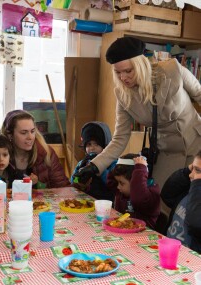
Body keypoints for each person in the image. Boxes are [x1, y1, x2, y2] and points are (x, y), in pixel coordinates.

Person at [74, 36, 201, 219]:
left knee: (195, 206)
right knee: (162, 210)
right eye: (118, 73)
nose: (123, 77)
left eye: (128, 71)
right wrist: (94, 166)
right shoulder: (123, 95)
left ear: (140, 64)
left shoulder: (173, 70)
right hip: (167, 153)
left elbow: (199, 94)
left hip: (197, 143)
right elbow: (120, 138)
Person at [0, 109, 70, 188]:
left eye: (32, 131)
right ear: (10, 135)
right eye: (24, 133)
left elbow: (63, 187)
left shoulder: (46, 152)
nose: (30, 137)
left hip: (40, 200)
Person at [161, 151, 201, 253]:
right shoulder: (188, 190)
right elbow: (167, 194)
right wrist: (187, 171)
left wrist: (198, 184)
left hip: (190, 260)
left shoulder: (195, 190)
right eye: (193, 168)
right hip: (171, 250)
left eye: (197, 170)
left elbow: (195, 223)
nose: (191, 175)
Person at [107, 153, 160, 229]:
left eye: (121, 183)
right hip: (122, 233)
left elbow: (138, 198)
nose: (118, 186)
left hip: (142, 237)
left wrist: (140, 169)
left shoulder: (150, 196)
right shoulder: (122, 191)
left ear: (134, 181)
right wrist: (118, 164)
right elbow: (111, 182)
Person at [71, 121, 116, 200]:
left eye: (96, 144)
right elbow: (73, 181)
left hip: (105, 204)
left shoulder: (112, 163)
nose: (92, 148)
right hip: (86, 203)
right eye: (89, 144)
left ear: (105, 146)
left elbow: (114, 185)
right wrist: (78, 179)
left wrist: (98, 168)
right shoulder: (82, 163)